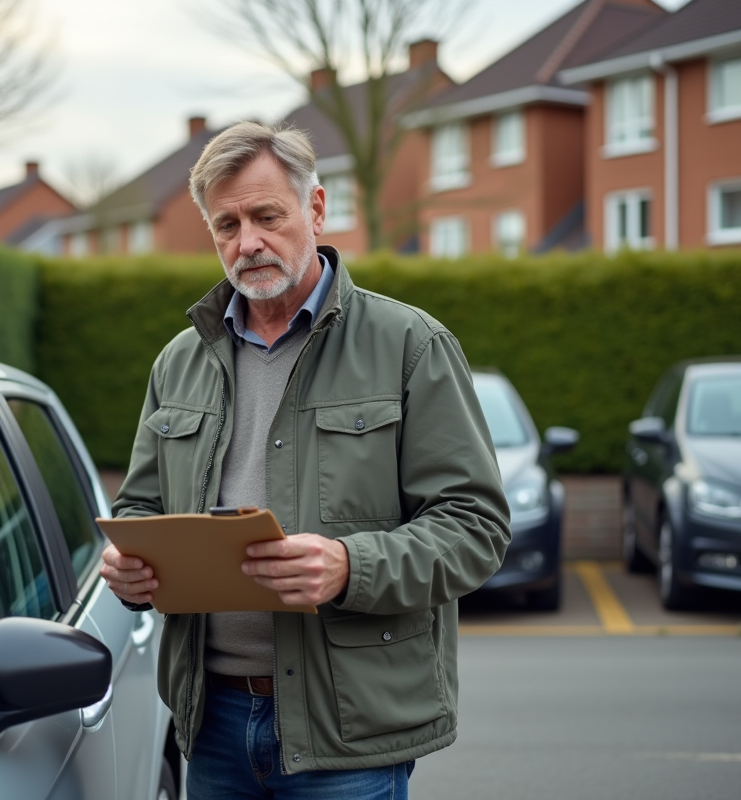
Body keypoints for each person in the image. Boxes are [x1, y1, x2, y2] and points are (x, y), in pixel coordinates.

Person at [100, 121, 510, 799]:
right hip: (211, 722)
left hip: (346, 734)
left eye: (267, 215)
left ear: (316, 210)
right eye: (226, 224)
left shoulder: (411, 345)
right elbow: (140, 506)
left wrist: (351, 566)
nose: (247, 241)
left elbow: (476, 528)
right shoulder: (180, 360)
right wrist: (129, 567)